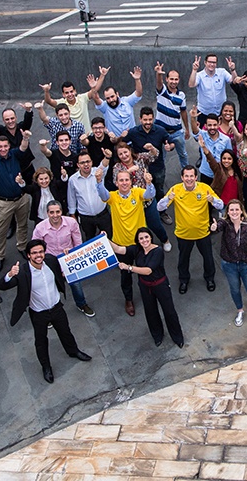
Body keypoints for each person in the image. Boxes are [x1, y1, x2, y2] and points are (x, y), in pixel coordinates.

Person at [0, 239, 92, 383]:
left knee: (65, 332)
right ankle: (46, 367)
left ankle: (73, 351)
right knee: (41, 341)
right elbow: (2, 286)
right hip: (38, 313)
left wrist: (68, 254)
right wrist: (10, 274)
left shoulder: (51, 261)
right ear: (28, 255)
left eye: (41, 252)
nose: (38, 255)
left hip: (56, 307)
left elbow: (67, 266)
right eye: (34, 253)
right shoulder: (22, 271)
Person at [109, 228, 185, 347]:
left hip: (160, 285)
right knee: (150, 312)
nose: (144, 240)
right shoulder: (137, 249)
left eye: (146, 237)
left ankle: (177, 337)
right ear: (138, 241)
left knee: (169, 311)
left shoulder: (158, 251)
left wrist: (128, 267)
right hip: (145, 286)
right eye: (141, 238)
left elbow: (148, 270)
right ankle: (157, 336)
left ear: (150, 237)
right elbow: (119, 249)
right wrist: (105, 239)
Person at [96, 168, 156, 316]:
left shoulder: (137, 193)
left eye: (127, 180)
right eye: (121, 180)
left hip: (141, 243)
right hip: (121, 245)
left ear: (131, 182)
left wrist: (149, 183)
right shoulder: (112, 197)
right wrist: (99, 182)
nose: (124, 183)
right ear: (116, 183)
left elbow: (150, 194)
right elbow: (103, 194)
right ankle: (128, 299)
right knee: (126, 274)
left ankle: (150, 293)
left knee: (146, 270)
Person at [158, 166, 224, 295]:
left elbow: (220, 205)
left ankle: (209, 278)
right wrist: (167, 198)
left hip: (202, 232)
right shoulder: (175, 189)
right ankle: (184, 280)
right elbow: (159, 207)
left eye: (191, 176)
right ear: (182, 177)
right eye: (186, 176)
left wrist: (213, 200)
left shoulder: (204, 188)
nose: (189, 179)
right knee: (183, 259)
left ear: (196, 177)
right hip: (183, 234)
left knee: (208, 258)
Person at [211, 199, 247, 327]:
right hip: (229, 264)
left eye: (237, 209)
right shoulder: (225, 223)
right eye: (231, 210)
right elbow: (218, 226)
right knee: (235, 289)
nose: (234, 212)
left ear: (241, 211)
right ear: (228, 212)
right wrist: (214, 227)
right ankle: (240, 311)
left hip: (246, 264)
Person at [0, 131, 34, 273]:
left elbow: (23, 147)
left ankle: (22, 246)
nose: (3, 149)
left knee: (22, 224)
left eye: (5, 146)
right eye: (0, 147)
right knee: (1, 230)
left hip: (21, 198)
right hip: (5, 202)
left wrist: (25, 138)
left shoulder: (14, 154)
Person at [32, 200, 92, 317]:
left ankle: (81, 304)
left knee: (75, 284)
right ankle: (49, 313)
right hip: (50, 262)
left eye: (57, 212)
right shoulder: (40, 228)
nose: (55, 215)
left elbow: (78, 243)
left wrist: (72, 253)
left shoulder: (71, 223)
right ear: (47, 213)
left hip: (68, 260)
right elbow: (35, 247)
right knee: (49, 289)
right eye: (52, 212)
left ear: (62, 211)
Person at [110, 141, 170, 249]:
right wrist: (128, 172)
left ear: (130, 151)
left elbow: (154, 155)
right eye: (120, 154)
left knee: (155, 224)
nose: (124, 156)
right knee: (138, 229)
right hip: (132, 205)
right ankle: (142, 246)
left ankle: (165, 240)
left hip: (147, 201)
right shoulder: (117, 167)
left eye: (125, 152)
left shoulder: (140, 158)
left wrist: (151, 148)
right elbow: (116, 182)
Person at [125, 106, 173, 200]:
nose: (148, 122)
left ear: (153, 118)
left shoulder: (160, 131)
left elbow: (171, 143)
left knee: (159, 190)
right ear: (140, 119)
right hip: (141, 169)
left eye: (150, 119)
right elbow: (123, 143)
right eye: (145, 120)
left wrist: (169, 147)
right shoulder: (133, 132)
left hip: (158, 167)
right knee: (142, 191)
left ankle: (161, 212)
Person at [40, 66, 108, 131]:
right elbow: (48, 101)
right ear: (63, 94)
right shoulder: (61, 104)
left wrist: (102, 75)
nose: (70, 94)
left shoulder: (82, 98)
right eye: (67, 93)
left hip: (87, 137)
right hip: (72, 139)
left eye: (71, 91)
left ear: (75, 91)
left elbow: (94, 90)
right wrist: (46, 91)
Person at [67, 150, 113, 242]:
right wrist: (72, 215)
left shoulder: (98, 173)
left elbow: (104, 165)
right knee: (89, 241)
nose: (86, 164)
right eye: (82, 162)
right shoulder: (73, 179)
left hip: (103, 214)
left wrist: (107, 157)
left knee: (109, 238)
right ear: (78, 165)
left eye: (88, 161)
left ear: (91, 162)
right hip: (85, 217)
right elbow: (71, 198)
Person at [153, 61, 190, 169]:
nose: (174, 81)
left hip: (177, 131)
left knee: (183, 154)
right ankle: (160, 178)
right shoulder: (162, 92)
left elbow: (183, 112)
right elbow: (159, 84)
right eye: (171, 79)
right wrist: (159, 73)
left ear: (178, 80)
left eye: (176, 79)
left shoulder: (181, 95)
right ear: (167, 79)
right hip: (161, 131)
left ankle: (187, 174)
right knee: (160, 157)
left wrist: (187, 129)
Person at [93, 67, 144, 136]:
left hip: (132, 141)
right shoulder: (105, 107)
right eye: (107, 98)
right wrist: (102, 76)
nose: (111, 100)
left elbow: (139, 93)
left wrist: (137, 79)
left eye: (112, 96)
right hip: (115, 143)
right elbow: (95, 97)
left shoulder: (127, 102)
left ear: (117, 94)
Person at [189, 110, 233, 186]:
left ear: (219, 125)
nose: (212, 127)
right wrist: (193, 118)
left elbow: (230, 156)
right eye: (209, 125)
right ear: (205, 126)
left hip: (220, 174)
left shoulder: (226, 140)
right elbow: (195, 130)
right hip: (205, 173)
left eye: (214, 125)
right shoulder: (202, 135)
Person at [189, 54, 235, 124]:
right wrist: (194, 70)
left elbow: (234, 81)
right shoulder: (199, 75)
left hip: (220, 112)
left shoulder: (222, 72)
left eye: (214, 62)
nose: (212, 64)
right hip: (204, 113)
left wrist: (232, 70)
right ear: (205, 62)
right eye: (209, 62)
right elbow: (191, 84)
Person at [201, 144, 243, 213]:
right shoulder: (218, 169)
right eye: (224, 158)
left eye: (229, 159)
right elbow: (211, 159)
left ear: (233, 160)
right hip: (222, 204)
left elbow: (240, 189)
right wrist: (203, 147)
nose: (226, 161)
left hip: (235, 204)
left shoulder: (238, 171)